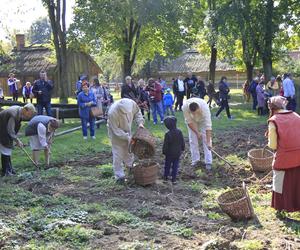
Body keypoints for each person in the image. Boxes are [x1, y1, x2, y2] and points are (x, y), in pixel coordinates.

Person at [267, 96, 300, 213]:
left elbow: (273, 146)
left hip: (284, 160)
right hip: (299, 158)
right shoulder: (297, 116)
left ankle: (280, 208)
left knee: (279, 181)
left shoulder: (273, 121)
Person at [107, 98, 144, 183]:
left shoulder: (131, 103)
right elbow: (116, 130)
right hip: (116, 134)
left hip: (127, 130)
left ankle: (130, 167)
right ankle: (119, 176)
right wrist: (127, 137)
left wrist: (140, 123)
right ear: (120, 109)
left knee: (129, 150)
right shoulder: (113, 112)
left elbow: (137, 113)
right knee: (118, 154)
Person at [0, 103, 36, 176]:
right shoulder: (13, 114)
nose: (30, 116)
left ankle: (9, 169)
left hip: (4, 129)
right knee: (6, 148)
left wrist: (15, 139)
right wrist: (17, 140)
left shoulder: (19, 111)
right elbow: (10, 130)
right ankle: (6, 171)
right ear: (26, 110)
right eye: (30, 113)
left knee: (7, 149)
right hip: (2, 130)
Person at [182, 98, 213, 170]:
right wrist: (197, 132)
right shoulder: (185, 107)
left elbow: (208, 127)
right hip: (192, 121)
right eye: (193, 113)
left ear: (199, 108)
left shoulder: (205, 108)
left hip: (202, 120)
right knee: (193, 139)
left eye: (196, 112)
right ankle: (195, 161)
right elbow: (189, 122)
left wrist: (208, 142)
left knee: (206, 139)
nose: (195, 114)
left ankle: (208, 162)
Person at [162, 116, 185, 184]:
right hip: (177, 152)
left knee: (167, 166)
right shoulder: (179, 132)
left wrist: (164, 152)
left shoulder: (168, 134)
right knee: (175, 166)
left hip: (169, 153)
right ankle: (173, 179)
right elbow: (182, 141)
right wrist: (183, 148)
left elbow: (165, 145)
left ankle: (165, 178)